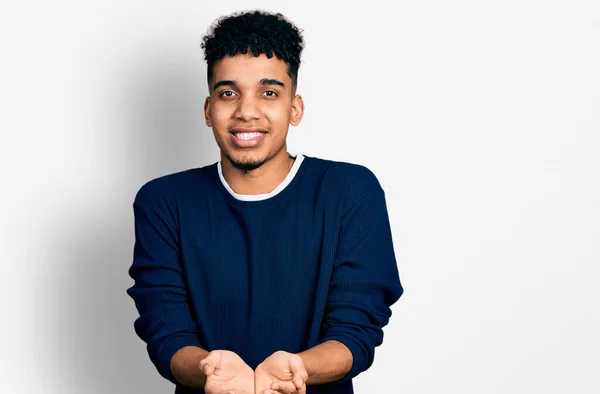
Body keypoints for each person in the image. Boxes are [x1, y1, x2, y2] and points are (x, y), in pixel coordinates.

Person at [127, 9, 403, 394]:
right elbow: (165, 330)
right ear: (209, 110)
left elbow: (356, 328)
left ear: (295, 108)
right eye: (228, 93)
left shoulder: (350, 191)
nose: (247, 111)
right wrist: (210, 370)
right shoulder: (164, 202)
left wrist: (300, 368)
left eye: (269, 92)